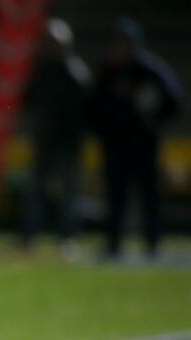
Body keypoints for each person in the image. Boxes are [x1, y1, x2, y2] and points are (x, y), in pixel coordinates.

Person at [89, 17, 181, 259]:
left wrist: (154, 121)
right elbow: (94, 109)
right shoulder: (109, 72)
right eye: (120, 42)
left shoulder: (151, 71)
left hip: (144, 146)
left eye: (127, 42)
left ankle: (152, 243)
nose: (123, 47)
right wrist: (103, 133)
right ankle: (113, 243)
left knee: (148, 195)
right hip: (116, 147)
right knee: (115, 196)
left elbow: (174, 103)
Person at [20, 18, 90, 257]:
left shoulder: (75, 74)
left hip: (67, 144)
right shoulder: (40, 72)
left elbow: (85, 113)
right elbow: (27, 101)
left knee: (68, 194)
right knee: (36, 192)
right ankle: (29, 237)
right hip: (45, 141)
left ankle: (67, 237)